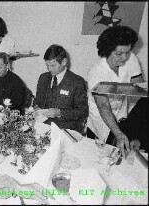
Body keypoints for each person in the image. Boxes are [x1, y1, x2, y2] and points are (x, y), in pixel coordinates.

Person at [87, 25, 145, 157]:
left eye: (128, 51)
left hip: (122, 112)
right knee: (110, 152)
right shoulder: (96, 72)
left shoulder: (132, 59)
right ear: (107, 51)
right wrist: (119, 134)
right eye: (119, 53)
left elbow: (139, 90)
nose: (125, 57)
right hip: (101, 117)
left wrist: (135, 130)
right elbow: (103, 108)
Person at [33, 44, 88, 133]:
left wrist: (59, 112)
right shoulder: (43, 78)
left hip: (66, 130)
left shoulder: (77, 82)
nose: (49, 69)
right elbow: (37, 101)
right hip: (43, 128)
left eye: (53, 66)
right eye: (47, 65)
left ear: (64, 62)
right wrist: (36, 109)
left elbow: (82, 111)